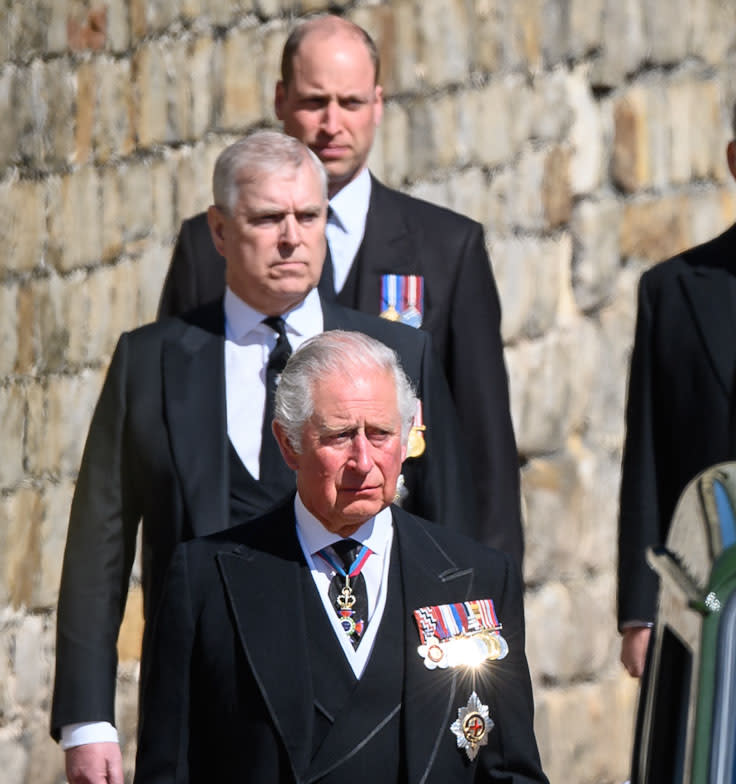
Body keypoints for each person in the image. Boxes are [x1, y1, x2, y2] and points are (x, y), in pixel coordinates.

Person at [51, 130, 477, 784]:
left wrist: (465, 704)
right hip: (207, 705)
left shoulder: (397, 357)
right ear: (220, 231)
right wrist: (87, 718)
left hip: (365, 703)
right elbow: (98, 546)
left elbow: (454, 546)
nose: (292, 237)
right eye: (267, 218)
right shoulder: (151, 362)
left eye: (308, 217)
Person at [157, 14, 523, 567]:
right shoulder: (210, 246)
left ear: (378, 103)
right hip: (234, 571)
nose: (331, 124)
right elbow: (170, 437)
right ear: (280, 100)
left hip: (394, 576)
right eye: (313, 102)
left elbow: (483, 456)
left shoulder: (446, 250)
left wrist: (489, 615)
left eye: (349, 103)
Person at [134, 330, 548, 784]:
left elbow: (509, 771)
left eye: (381, 434)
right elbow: (167, 772)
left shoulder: (477, 579)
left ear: (409, 435)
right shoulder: (206, 582)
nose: (363, 460)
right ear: (289, 443)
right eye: (340, 436)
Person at [618, 109, 736, 678]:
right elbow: (648, 456)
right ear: (735, 162)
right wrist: (640, 613)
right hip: (709, 604)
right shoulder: (671, 292)